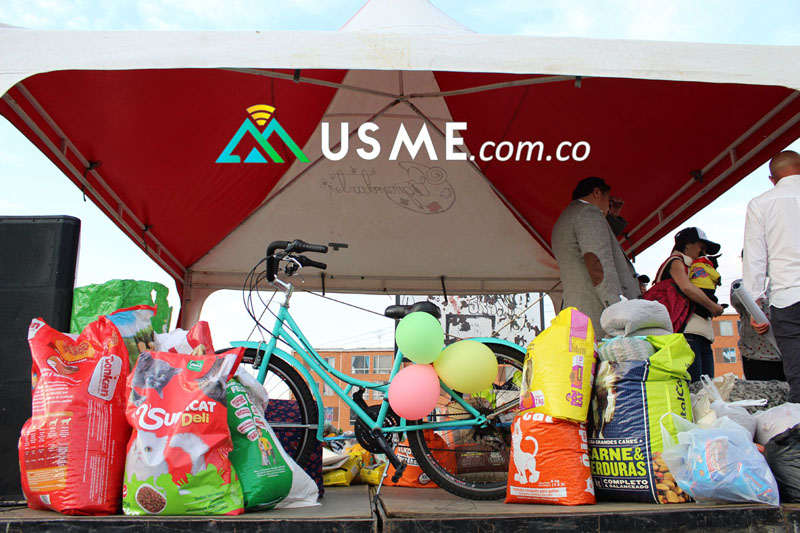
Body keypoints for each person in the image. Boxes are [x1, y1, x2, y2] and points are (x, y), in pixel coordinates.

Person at [551, 177, 641, 339]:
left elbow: (590, 245)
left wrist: (610, 219)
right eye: (608, 199)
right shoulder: (588, 213)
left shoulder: (565, 218)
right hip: (598, 312)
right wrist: (617, 310)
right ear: (596, 192)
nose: (608, 205)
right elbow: (599, 263)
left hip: (578, 310)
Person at [743, 150, 800, 401]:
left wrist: (753, 304)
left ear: (771, 179)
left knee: (797, 374)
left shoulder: (760, 203)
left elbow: (754, 258)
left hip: (787, 300)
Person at [653, 227, 725, 382]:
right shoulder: (676, 261)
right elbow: (686, 287)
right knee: (695, 389)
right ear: (687, 244)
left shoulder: (696, 268)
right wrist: (713, 307)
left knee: (706, 390)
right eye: (701, 247)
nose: (703, 252)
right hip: (687, 334)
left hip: (701, 335)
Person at [729, 279, 785, 381]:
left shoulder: (789, 283)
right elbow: (737, 299)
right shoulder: (742, 285)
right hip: (758, 356)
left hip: (790, 354)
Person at [688, 254, 723, 319]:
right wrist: (719, 280)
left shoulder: (694, 266)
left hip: (696, 288)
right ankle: (712, 311)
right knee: (713, 299)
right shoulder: (706, 265)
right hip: (707, 287)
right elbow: (714, 274)